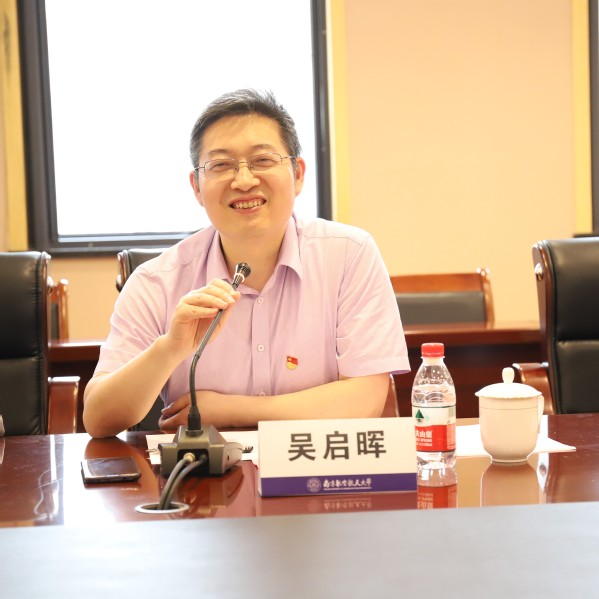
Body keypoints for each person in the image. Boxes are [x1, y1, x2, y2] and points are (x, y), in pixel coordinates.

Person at [83, 89, 409, 438]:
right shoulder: (157, 281)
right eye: (221, 165)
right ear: (196, 187)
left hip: (316, 467)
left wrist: (227, 410)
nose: (243, 180)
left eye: (262, 160)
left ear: (298, 174)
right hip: (200, 472)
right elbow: (99, 419)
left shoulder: (348, 255)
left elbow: (365, 399)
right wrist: (169, 348)